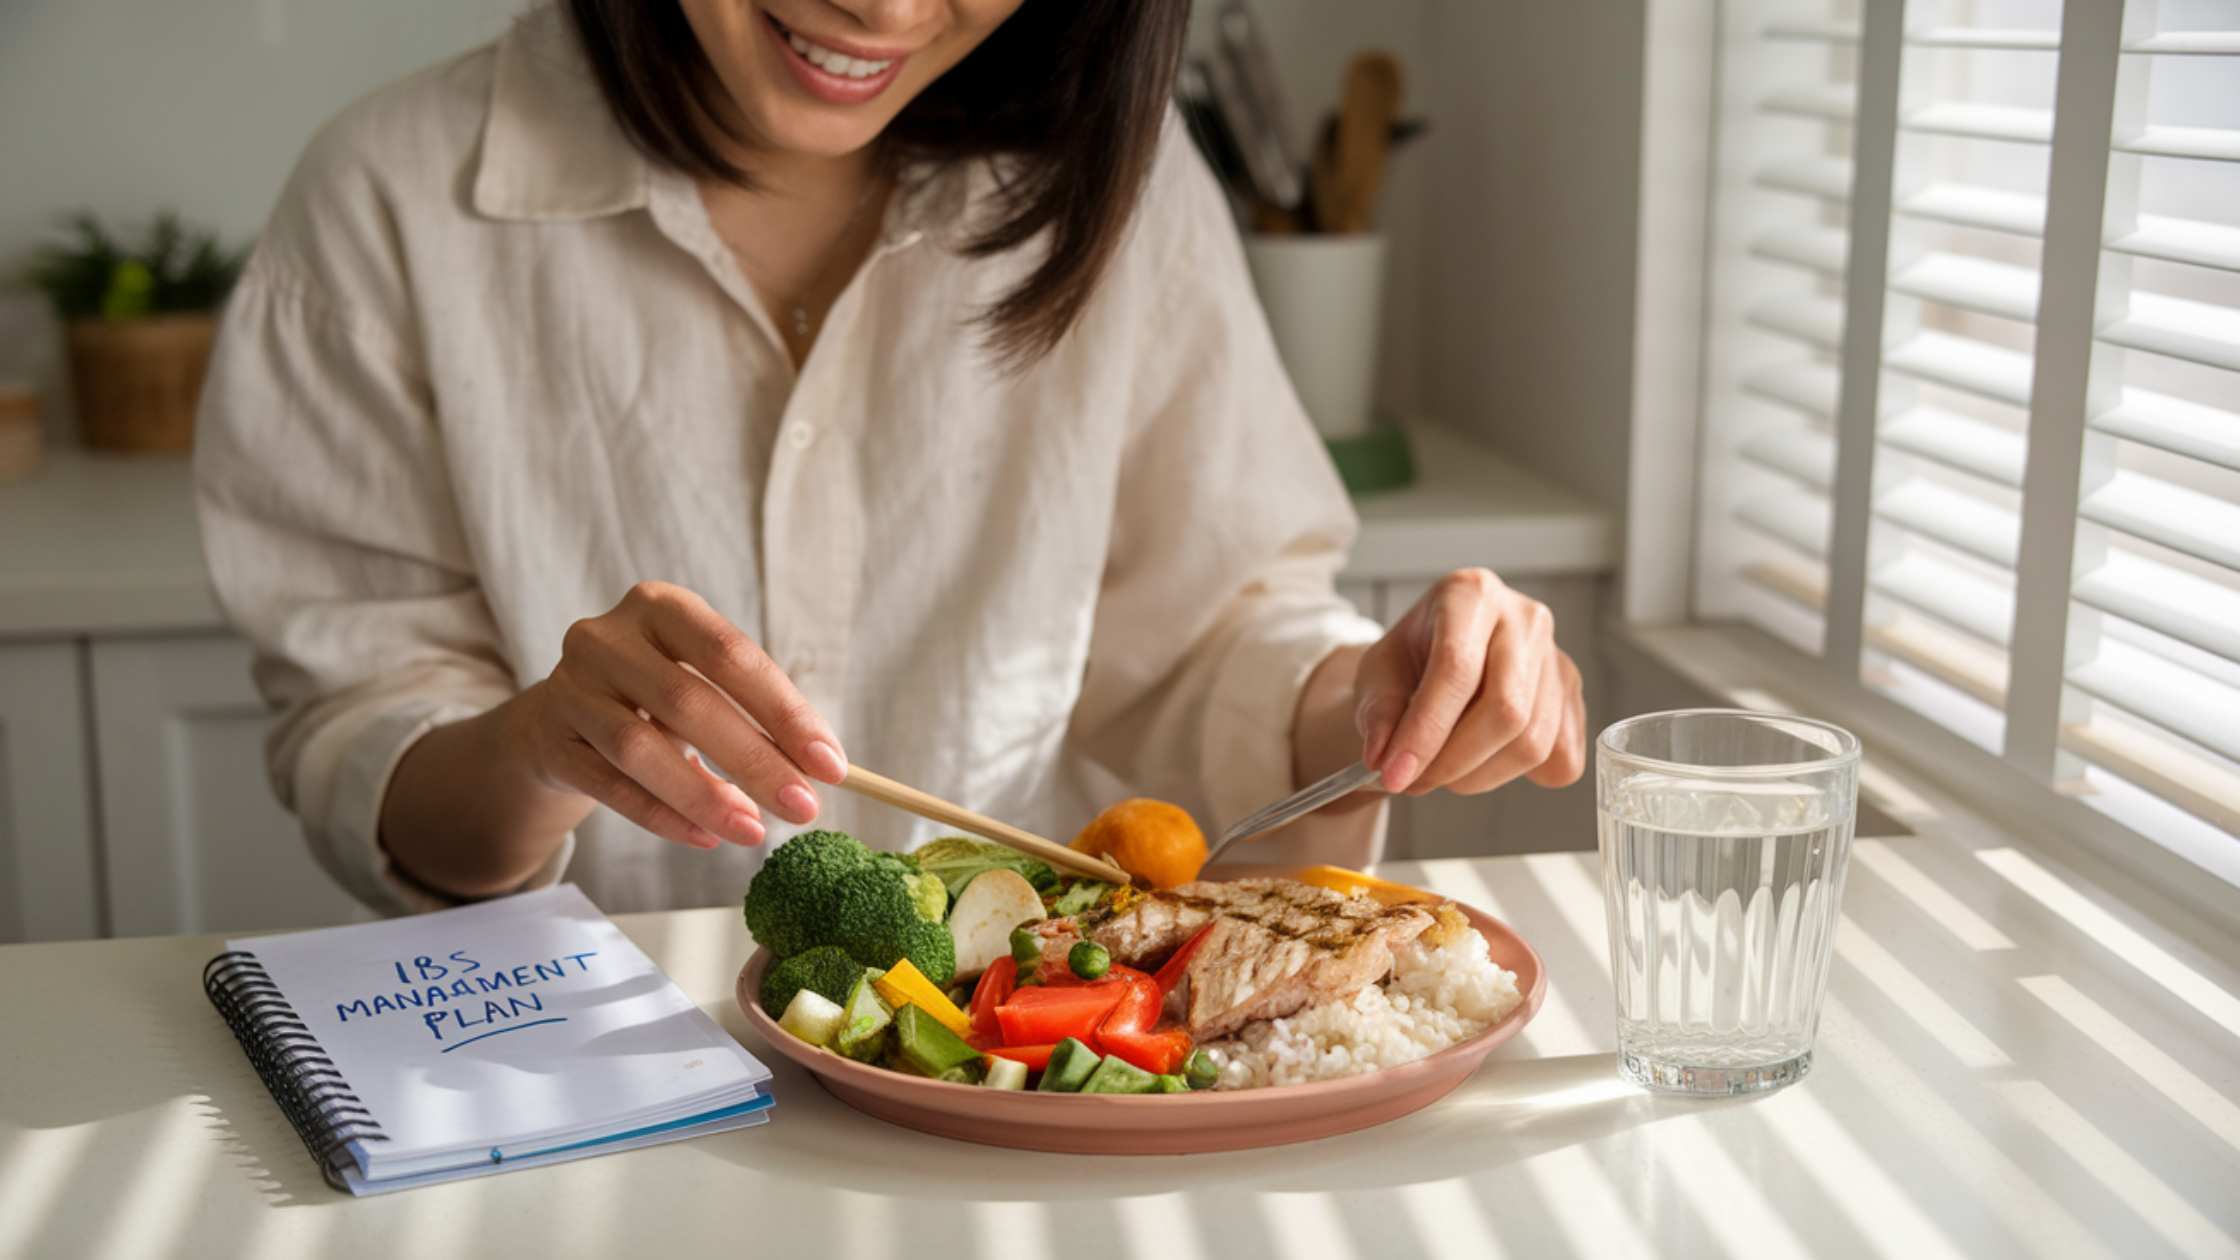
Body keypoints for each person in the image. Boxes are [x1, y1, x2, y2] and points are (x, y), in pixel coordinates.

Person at [195, 0, 1585, 918]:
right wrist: (547, 745)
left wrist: (1386, 703)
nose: (888, 8)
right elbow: (365, 756)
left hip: (1024, 1079)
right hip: (596, 1094)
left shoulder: (1119, 181)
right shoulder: (393, 198)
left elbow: (1212, 632)